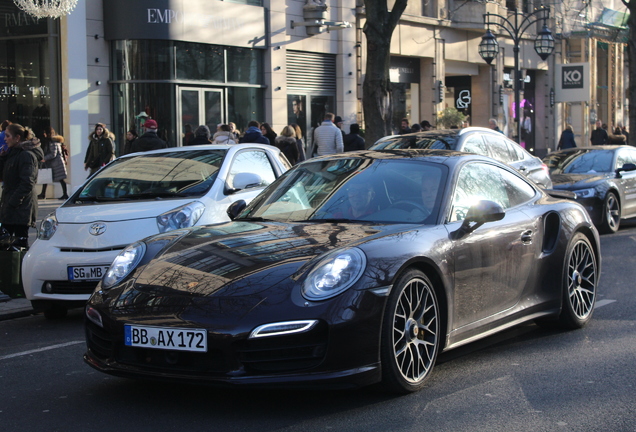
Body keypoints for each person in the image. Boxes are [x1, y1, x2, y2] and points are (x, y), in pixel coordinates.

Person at [0, 123, 44, 248]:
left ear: (17, 138)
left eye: (8, 136)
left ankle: (19, 267)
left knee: (18, 245)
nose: (5, 139)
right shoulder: (12, 153)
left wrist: (13, 202)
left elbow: (27, 182)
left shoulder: (26, 155)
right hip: (10, 206)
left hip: (20, 208)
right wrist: (2, 158)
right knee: (5, 244)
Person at [38, 126, 68, 200]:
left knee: (61, 179)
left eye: (45, 132)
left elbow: (53, 154)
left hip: (56, 164)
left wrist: (44, 159)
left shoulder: (53, 142)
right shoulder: (50, 141)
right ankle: (43, 193)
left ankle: (65, 194)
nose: (44, 134)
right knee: (46, 178)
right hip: (54, 163)